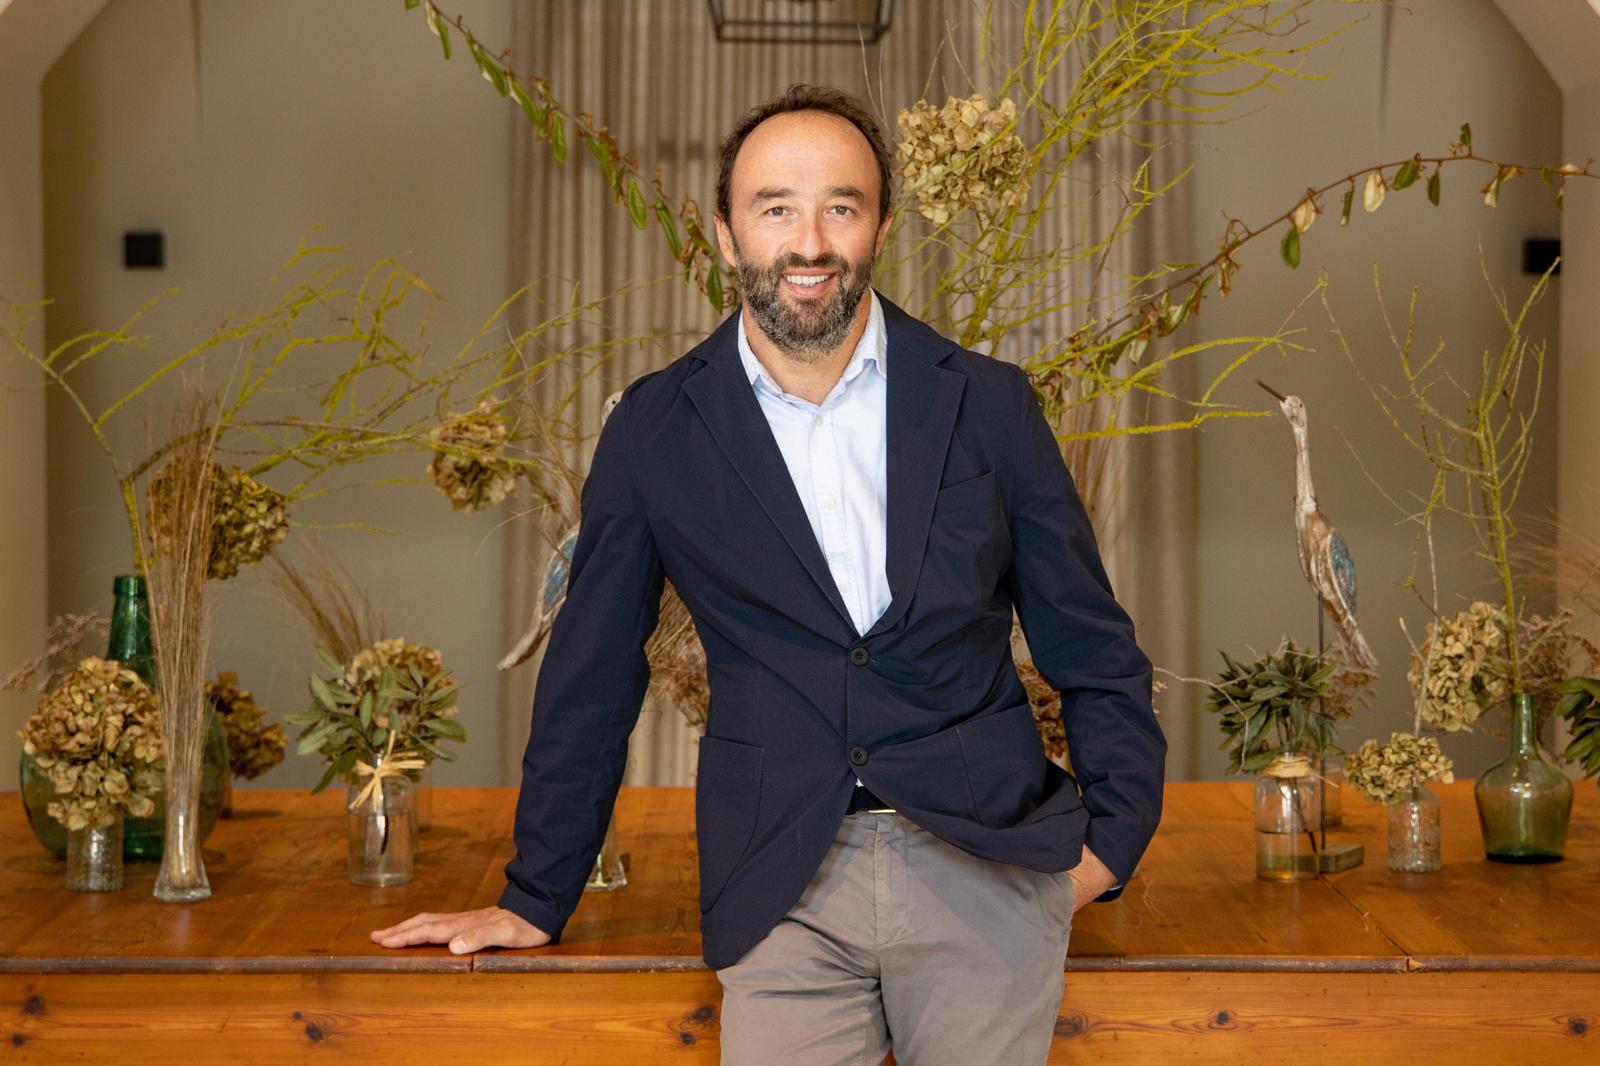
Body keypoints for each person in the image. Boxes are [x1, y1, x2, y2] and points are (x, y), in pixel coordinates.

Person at [373, 82, 1167, 1065]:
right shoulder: (655, 428)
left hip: (988, 863)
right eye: (775, 208)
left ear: (879, 224)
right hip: (778, 879)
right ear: (724, 232)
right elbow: (592, 674)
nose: (809, 241)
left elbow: (1090, 645)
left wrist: (1108, 845)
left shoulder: (991, 406)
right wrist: (535, 893)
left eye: (840, 205)